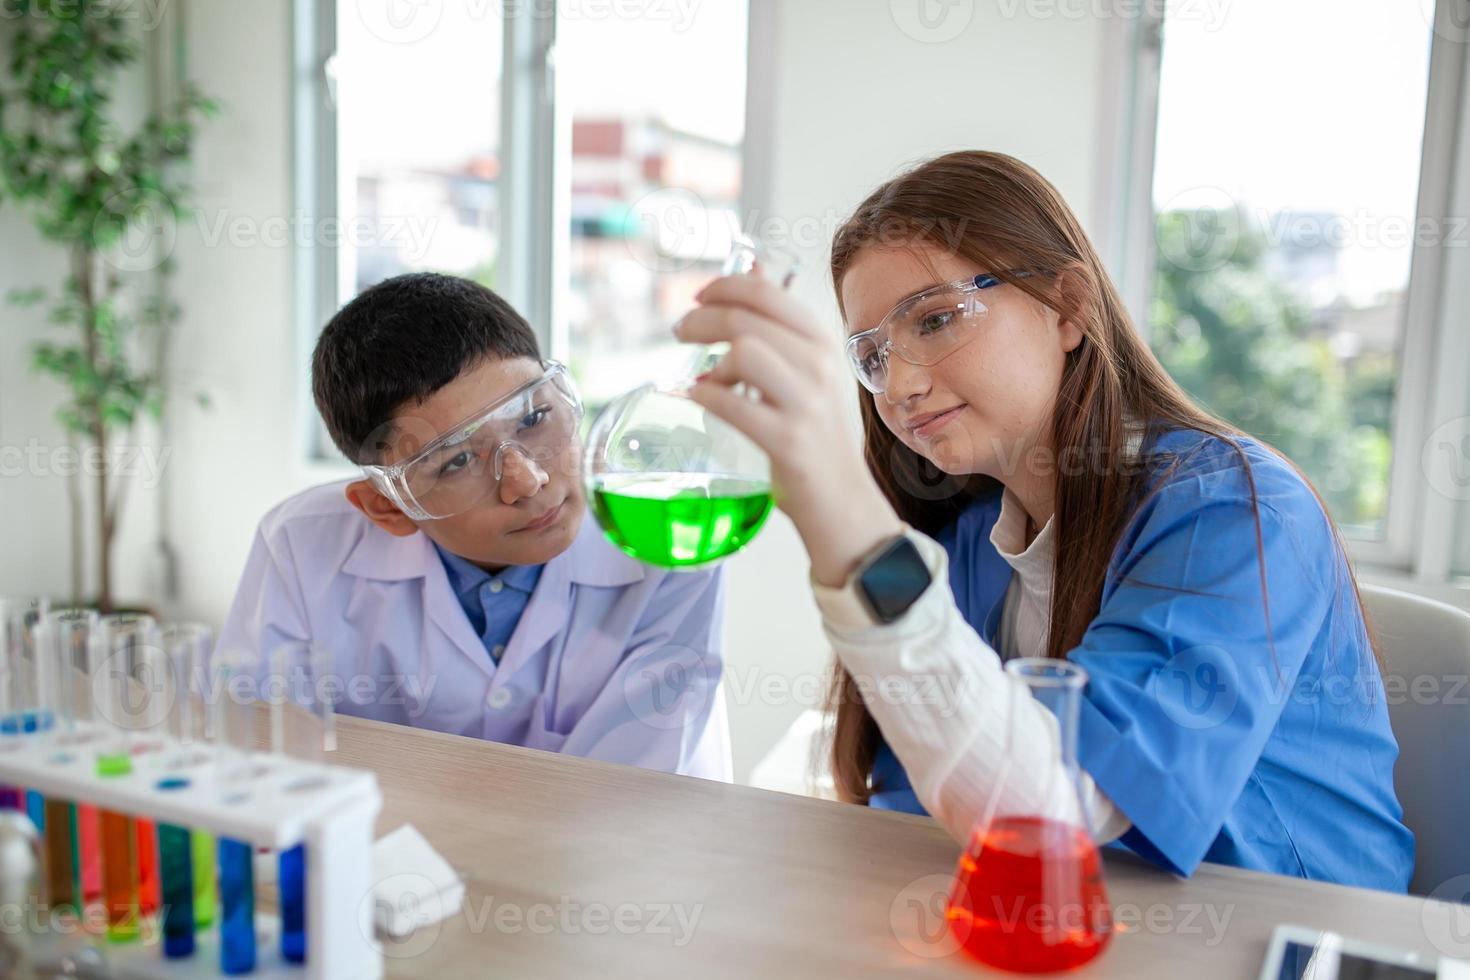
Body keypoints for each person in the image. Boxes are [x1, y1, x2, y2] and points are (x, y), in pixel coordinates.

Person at [673, 151, 1412, 888]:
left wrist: (848, 518)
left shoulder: (1236, 510)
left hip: (1283, 938)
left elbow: (1052, 813)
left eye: (934, 320)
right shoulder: (969, 538)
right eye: (872, 355)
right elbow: (923, 797)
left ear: (1067, 307)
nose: (898, 386)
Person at [217, 273, 730, 779]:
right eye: (458, 461)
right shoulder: (300, 545)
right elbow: (260, 759)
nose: (527, 481)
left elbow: (624, 791)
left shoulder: (671, 538)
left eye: (533, 419)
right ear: (387, 507)